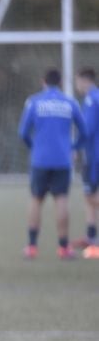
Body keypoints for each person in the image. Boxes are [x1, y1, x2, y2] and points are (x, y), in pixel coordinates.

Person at [18, 68, 86, 260]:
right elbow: (84, 131)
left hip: (40, 159)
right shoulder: (70, 103)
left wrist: (34, 147)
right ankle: (64, 248)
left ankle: (31, 247)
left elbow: (23, 132)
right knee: (61, 199)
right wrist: (74, 148)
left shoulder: (34, 102)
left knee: (36, 199)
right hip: (63, 160)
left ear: (43, 82)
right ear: (61, 83)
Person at [74, 67, 99, 258]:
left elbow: (87, 130)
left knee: (92, 197)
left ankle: (94, 242)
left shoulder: (91, 99)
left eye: (77, 82)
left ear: (84, 80)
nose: (77, 86)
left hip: (94, 156)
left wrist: (75, 148)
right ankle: (91, 238)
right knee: (89, 197)